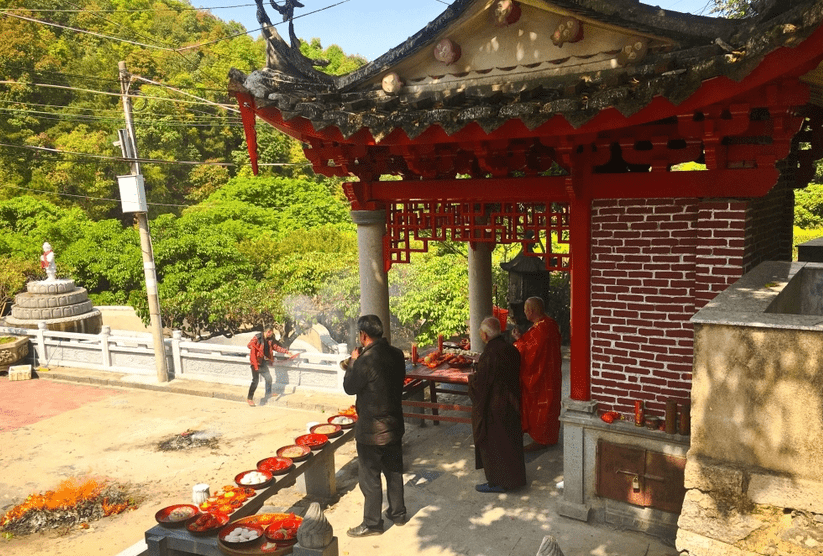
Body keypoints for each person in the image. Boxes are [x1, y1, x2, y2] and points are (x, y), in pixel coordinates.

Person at [343, 315, 407, 537]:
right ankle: (398, 513)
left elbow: (349, 387)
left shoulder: (364, 360)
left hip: (371, 429)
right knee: (394, 470)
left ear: (363, 335)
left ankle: (372, 523)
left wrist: (352, 361)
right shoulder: (397, 354)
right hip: (394, 424)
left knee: (370, 477)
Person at [468, 316, 526, 493]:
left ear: (485, 335)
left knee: (495, 444)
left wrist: (472, 378)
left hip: (495, 407)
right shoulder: (511, 349)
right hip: (512, 403)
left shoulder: (489, 355)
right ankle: (514, 478)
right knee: (511, 442)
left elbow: (482, 385)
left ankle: (498, 482)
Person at [514, 296, 563, 451]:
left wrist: (517, 340)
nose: (524, 313)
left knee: (540, 408)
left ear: (531, 310)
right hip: (552, 373)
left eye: (525, 310)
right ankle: (549, 437)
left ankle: (541, 440)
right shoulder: (550, 324)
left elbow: (528, 352)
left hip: (540, 376)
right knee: (551, 407)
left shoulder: (539, 330)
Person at [246, 328, 291, 406]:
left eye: (271, 333)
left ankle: (268, 393)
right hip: (255, 362)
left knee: (269, 378)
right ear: (266, 331)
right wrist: (253, 346)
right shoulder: (258, 337)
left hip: (263, 362)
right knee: (255, 381)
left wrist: (286, 352)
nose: (270, 334)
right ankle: (249, 398)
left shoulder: (269, 340)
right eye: (269, 332)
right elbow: (249, 345)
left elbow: (276, 347)